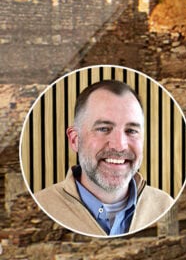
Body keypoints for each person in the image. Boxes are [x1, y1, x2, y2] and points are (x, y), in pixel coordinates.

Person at [33, 80, 174, 237]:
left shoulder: (163, 204)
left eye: (131, 130)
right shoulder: (42, 206)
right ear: (75, 140)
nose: (119, 146)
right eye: (103, 129)